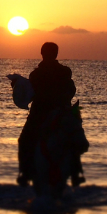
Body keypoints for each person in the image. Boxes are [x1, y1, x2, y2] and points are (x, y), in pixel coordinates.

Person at [17, 41, 76, 186]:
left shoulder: (36, 74)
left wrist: (18, 88)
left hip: (40, 115)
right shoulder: (65, 72)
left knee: (24, 141)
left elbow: (30, 96)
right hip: (60, 113)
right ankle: (74, 173)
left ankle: (25, 174)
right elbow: (71, 91)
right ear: (56, 54)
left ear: (42, 54)